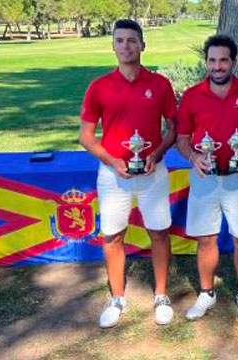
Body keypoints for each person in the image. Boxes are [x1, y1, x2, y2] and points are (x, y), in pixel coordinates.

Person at [79, 19, 177, 328]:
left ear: (142, 45)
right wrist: (111, 160)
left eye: (132, 40)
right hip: (113, 174)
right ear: (113, 45)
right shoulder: (99, 87)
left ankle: (161, 295)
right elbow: (86, 136)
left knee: (159, 232)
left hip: (152, 171)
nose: (126, 46)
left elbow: (174, 130)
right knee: (112, 235)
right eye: (120, 40)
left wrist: (156, 154)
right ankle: (117, 298)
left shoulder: (160, 84)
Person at [176, 35, 238, 320]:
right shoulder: (192, 96)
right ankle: (206, 293)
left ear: (234, 62)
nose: (217, 66)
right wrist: (193, 157)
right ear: (206, 62)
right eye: (212, 60)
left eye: (223, 60)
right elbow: (181, 138)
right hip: (205, 178)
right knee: (206, 239)